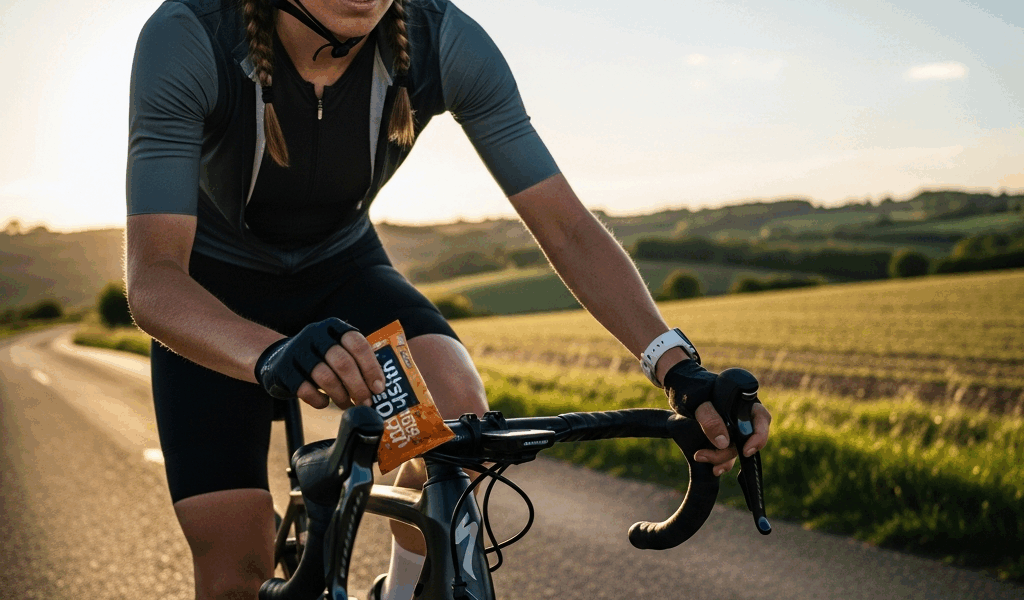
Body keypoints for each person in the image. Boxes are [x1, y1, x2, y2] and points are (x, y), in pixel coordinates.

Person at [125, 0, 773, 598]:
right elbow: (153, 278)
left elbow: (567, 225)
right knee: (236, 562)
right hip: (210, 297)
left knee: (452, 428)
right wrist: (269, 356)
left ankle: (408, 589)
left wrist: (675, 365)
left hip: (344, 274)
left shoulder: (441, 41)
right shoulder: (190, 36)